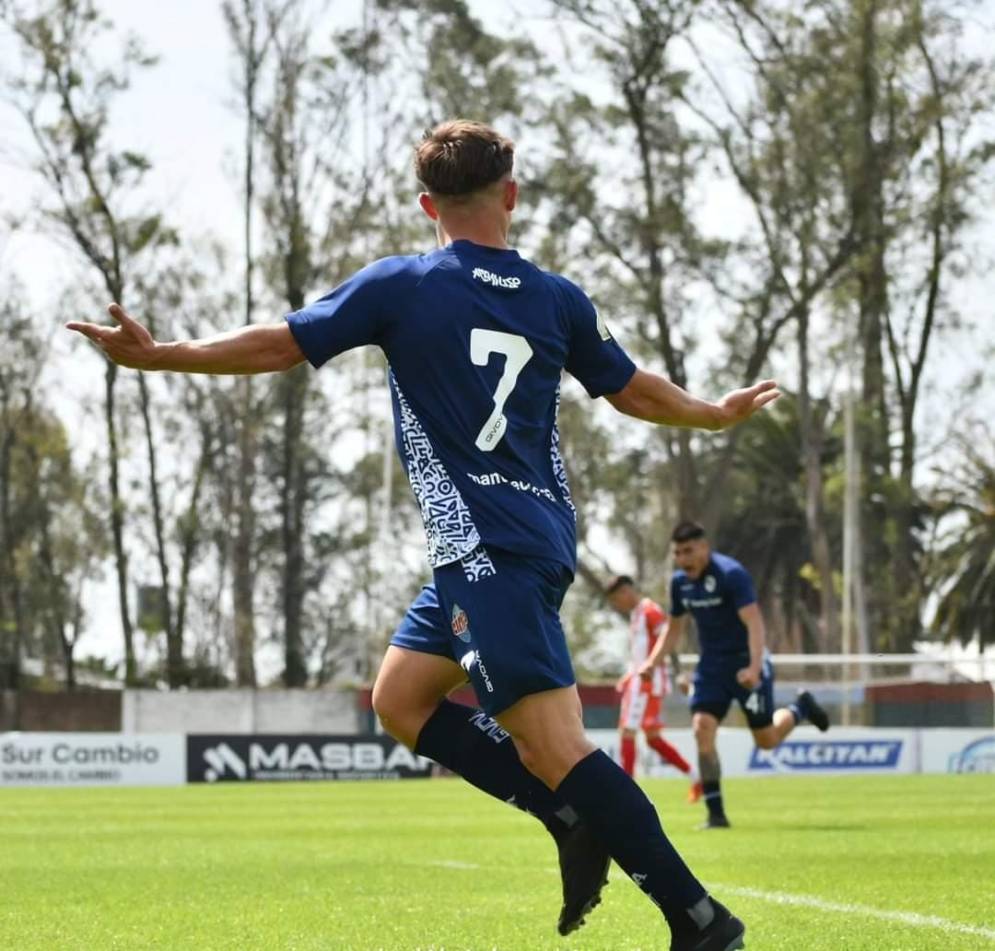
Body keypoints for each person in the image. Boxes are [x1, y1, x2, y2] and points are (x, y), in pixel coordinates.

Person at [68, 119, 782, 950]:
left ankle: (699, 919)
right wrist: (712, 411)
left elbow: (282, 343)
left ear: (425, 207)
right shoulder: (557, 298)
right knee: (400, 699)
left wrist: (165, 356)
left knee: (555, 744)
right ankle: (567, 816)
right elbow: (631, 390)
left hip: (489, 549)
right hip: (511, 543)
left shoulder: (403, 284)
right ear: (509, 196)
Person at [639, 521, 830, 830]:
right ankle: (716, 814)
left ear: (704, 547)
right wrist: (651, 662)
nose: (683, 559)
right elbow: (674, 628)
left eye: (688, 551)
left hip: (745, 665)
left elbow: (754, 623)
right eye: (677, 553)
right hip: (711, 668)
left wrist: (754, 667)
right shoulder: (680, 584)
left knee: (766, 740)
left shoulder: (731, 575)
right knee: (702, 728)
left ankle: (801, 708)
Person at [605, 575, 701, 801]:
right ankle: (696, 776)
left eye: (616, 598)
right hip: (640, 681)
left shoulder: (650, 611)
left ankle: (626, 793)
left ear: (626, 591)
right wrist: (629, 676)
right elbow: (641, 653)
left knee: (627, 732)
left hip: (648, 683)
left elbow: (669, 640)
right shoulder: (636, 615)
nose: (616, 604)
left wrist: (678, 673)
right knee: (652, 738)